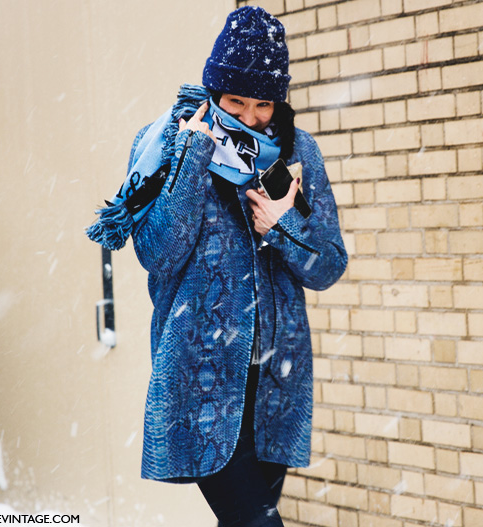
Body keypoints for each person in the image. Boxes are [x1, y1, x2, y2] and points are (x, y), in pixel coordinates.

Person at [86, 6, 347, 526]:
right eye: (235, 101)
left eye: (263, 105)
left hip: (277, 378)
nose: (250, 118)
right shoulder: (166, 141)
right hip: (198, 377)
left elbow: (329, 266)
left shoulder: (296, 153)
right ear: (213, 92)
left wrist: (283, 225)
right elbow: (157, 255)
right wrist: (194, 156)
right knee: (256, 522)